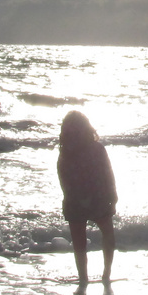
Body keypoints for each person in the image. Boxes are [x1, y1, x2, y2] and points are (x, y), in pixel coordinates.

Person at [57, 110, 117, 284]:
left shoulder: (65, 153)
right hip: (98, 197)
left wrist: (74, 197)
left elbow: (64, 180)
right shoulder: (96, 149)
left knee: (79, 242)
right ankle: (106, 273)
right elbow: (108, 174)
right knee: (107, 233)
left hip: (77, 199)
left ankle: (83, 277)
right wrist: (112, 194)